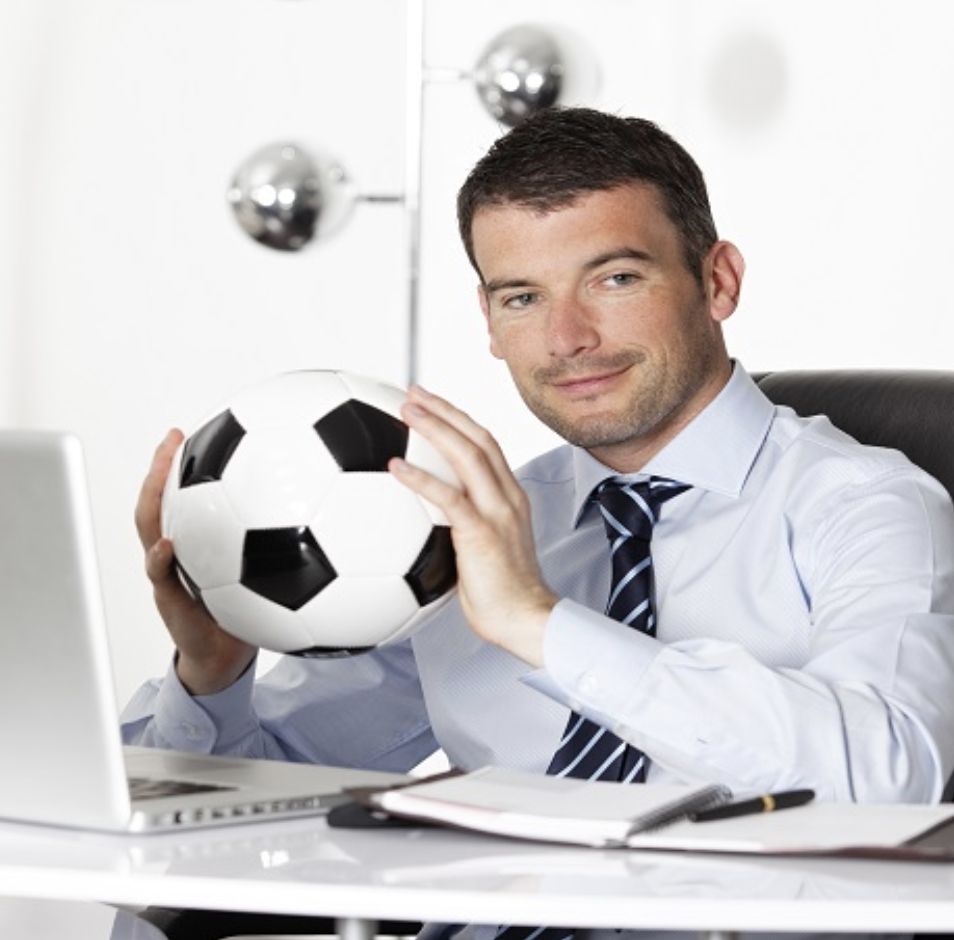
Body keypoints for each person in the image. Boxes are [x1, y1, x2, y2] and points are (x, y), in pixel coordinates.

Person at [123, 107, 954, 938]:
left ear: (718, 281)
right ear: (489, 320)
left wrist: (541, 624)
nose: (567, 339)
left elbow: (889, 778)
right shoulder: (454, 529)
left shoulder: (867, 504)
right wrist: (213, 674)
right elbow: (237, 809)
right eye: (522, 297)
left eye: (615, 279)